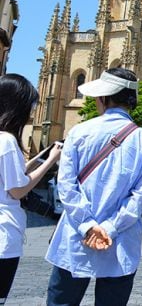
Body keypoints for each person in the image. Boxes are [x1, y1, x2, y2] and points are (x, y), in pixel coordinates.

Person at [46, 68, 142, 306]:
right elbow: (139, 198)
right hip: (120, 244)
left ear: (103, 98)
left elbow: (65, 186)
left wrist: (87, 226)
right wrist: (109, 228)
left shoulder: (78, 132)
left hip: (75, 238)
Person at [0, 74, 63, 304]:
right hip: (3, 237)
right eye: (30, 104)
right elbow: (16, 190)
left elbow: (7, 179)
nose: (32, 111)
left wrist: (34, 160)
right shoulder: (7, 140)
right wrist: (51, 160)